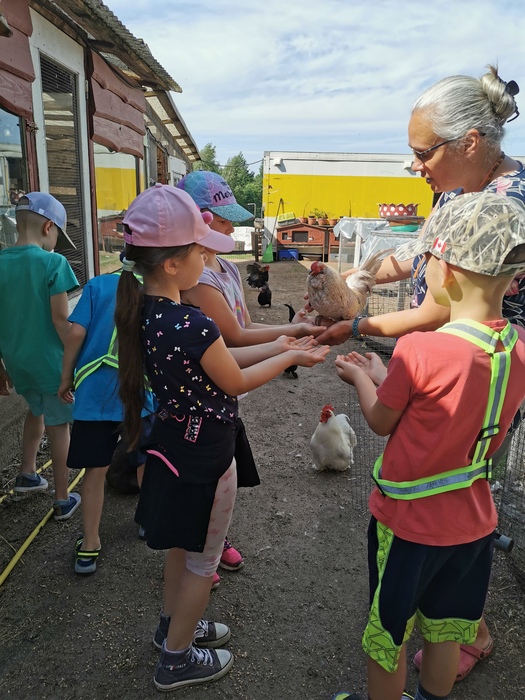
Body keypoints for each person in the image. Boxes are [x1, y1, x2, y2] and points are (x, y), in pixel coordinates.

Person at [314, 64, 523, 683]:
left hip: (469, 375)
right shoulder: (460, 192)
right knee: (465, 496)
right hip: (467, 367)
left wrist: (356, 327)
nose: (415, 165)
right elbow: (419, 255)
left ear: (471, 142)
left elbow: (439, 305)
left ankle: (457, 624)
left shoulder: (508, 204)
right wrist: (354, 279)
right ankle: (455, 625)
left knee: (448, 476)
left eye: (423, 152)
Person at [114, 183, 330, 691]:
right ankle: (176, 660)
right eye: (200, 250)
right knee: (202, 562)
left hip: (172, 445)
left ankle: (173, 629)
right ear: (173, 263)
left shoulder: (148, 313)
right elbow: (233, 379)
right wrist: (290, 355)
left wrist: (282, 342)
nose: (208, 258)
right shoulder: (192, 323)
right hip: (205, 456)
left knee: (180, 547)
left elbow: (222, 359)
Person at [178, 170, 324, 584]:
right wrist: (291, 338)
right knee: (202, 473)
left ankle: (209, 539)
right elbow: (234, 337)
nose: (230, 227)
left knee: (220, 468)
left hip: (227, 385)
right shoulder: (197, 278)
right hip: (206, 388)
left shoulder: (225, 267)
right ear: (200, 220)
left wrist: (292, 330)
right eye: (223, 220)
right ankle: (197, 548)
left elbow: (244, 325)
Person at [58, 268, 156, 574]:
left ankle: (89, 545)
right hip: (140, 392)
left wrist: (65, 378)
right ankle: (147, 522)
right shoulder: (156, 289)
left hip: (94, 393)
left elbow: (76, 334)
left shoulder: (97, 285)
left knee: (95, 471)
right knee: (145, 460)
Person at [0, 192, 81, 520]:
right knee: (59, 426)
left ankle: (28, 473)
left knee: (36, 411)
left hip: (18, 363)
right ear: (49, 227)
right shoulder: (53, 263)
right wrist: (78, 358)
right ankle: (62, 499)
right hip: (52, 364)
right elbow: (61, 321)